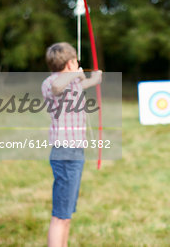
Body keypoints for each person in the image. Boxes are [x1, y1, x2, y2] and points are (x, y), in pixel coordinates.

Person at [41, 42, 102, 247]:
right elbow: (59, 86)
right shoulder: (51, 82)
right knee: (60, 215)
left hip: (74, 152)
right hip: (65, 152)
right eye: (76, 61)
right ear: (70, 62)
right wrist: (76, 73)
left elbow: (82, 84)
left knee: (66, 214)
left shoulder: (72, 83)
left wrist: (95, 78)